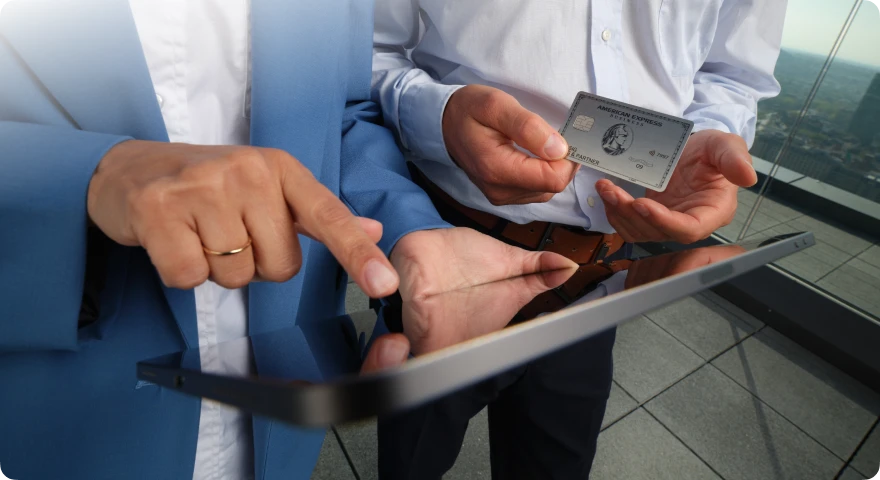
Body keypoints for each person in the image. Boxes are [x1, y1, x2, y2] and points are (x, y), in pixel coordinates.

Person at [0, 1, 574, 478]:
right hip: (56, 427)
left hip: (280, 428)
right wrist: (89, 178)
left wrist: (408, 227)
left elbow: (342, 110)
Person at [372, 0, 786, 478]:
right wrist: (439, 121)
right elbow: (369, 51)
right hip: (448, 251)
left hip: (599, 280)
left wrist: (710, 135)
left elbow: (733, 74)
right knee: (411, 460)